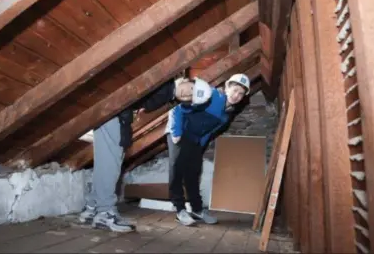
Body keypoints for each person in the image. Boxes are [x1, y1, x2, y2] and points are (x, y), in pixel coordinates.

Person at [79, 77, 214, 232]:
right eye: (191, 89)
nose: (187, 94)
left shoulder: (167, 93)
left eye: (191, 97)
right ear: (188, 80)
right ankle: (104, 213)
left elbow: (144, 103)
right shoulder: (165, 79)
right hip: (113, 113)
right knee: (110, 166)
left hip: (113, 114)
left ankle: (91, 208)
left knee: (105, 165)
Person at [165, 73, 251, 226]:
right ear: (227, 87)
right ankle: (179, 210)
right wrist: (176, 132)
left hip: (195, 140)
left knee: (193, 172)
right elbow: (177, 109)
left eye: (241, 93)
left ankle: (197, 209)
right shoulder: (210, 95)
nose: (237, 95)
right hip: (179, 132)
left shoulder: (227, 114)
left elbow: (209, 132)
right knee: (177, 168)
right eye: (235, 90)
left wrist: (200, 145)